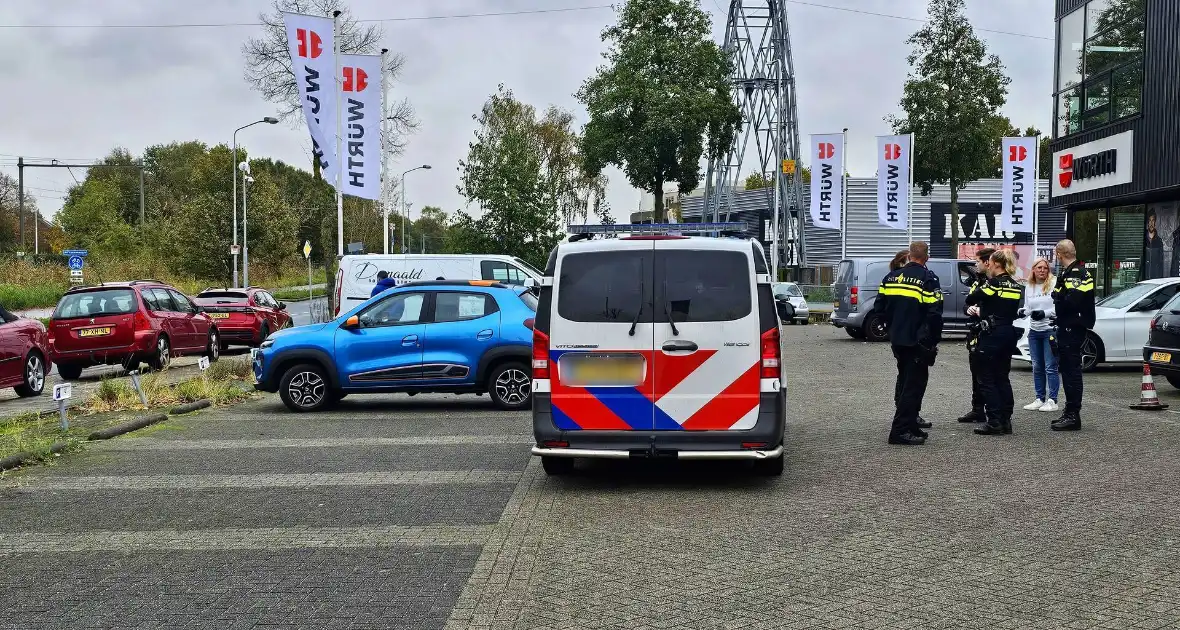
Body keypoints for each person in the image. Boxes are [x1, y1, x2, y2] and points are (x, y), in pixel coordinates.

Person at [872, 241, 943, 446]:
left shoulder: (890, 278)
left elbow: (879, 308)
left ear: (910, 255)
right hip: (918, 341)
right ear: (926, 257)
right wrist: (932, 340)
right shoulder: (928, 279)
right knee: (914, 387)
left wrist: (890, 328)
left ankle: (910, 425)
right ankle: (900, 431)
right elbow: (934, 314)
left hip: (898, 339)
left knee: (905, 382)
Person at [966, 248, 1024, 436]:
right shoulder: (1015, 286)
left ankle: (994, 422)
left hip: (991, 334)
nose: (988, 265)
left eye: (990, 262)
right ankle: (1006, 420)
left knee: (987, 378)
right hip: (1008, 333)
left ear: (997, 264)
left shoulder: (993, 284)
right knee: (1002, 377)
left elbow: (971, 298)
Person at [1051, 239, 1096, 431]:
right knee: (1068, 371)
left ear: (1059, 254)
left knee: (1071, 373)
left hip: (1072, 327)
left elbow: (1073, 300)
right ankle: (1069, 412)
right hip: (1068, 326)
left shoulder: (1076, 273)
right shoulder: (1071, 273)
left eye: (1056, 254)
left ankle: (1073, 415)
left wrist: (1060, 297)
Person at [958, 247, 995, 424]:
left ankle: (996, 412)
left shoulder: (997, 281)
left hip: (992, 334)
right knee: (976, 374)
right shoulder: (977, 281)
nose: (975, 264)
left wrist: (985, 311)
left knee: (992, 375)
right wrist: (969, 309)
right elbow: (967, 303)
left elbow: (1004, 309)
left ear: (987, 262)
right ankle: (977, 410)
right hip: (976, 332)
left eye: (977, 261)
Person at [1020, 258, 1059, 413]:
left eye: (1045, 268)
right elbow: (1027, 307)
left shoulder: (1054, 283)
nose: (1042, 270)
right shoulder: (1029, 286)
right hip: (1034, 331)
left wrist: (1045, 313)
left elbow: (1058, 307)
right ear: (1034, 270)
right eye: (1039, 268)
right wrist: (1023, 313)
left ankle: (1052, 400)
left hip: (1050, 329)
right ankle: (1039, 398)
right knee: (1037, 366)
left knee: (1050, 367)